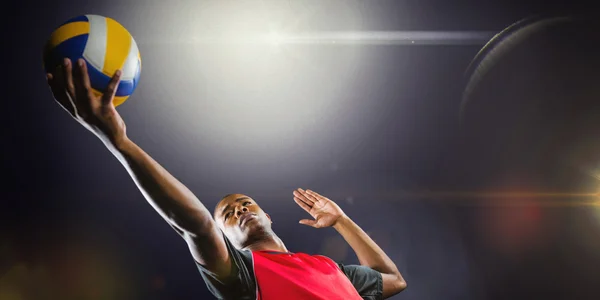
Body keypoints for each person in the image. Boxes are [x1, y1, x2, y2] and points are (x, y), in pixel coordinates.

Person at [45, 58, 407, 299]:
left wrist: (342, 222)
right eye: (228, 214)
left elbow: (393, 279)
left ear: (268, 217)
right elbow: (197, 225)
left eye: (246, 204)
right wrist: (120, 142)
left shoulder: (330, 269)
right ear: (227, 238)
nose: (240, 210)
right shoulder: (241, 275)